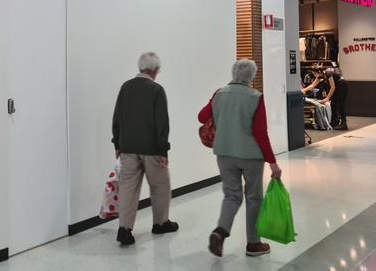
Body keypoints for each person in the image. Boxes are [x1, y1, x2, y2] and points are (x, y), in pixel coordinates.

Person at [198, 59, 282, 257]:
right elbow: (261, 133)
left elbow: (202, 117)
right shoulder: (255, 97)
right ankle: (253, 244)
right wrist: (272, 162)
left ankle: (220, 231)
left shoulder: (219, 93)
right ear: (251, 76)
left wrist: (214, 101)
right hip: (250, 156)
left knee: (231, 195)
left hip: (224, 153)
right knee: (253, 197)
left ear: (233, 73)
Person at [111, 52, 178, 246]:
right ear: (155, 70)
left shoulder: (125, 87)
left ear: (141, 68)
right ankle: (160, 223)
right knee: (160, 186)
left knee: (128, 188)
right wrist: (163, 151)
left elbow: (117, 117)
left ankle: (124, 229)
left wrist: (117, 144)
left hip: (128, 147)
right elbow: (162, 124)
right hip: (151, 149)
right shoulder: (156, 89)